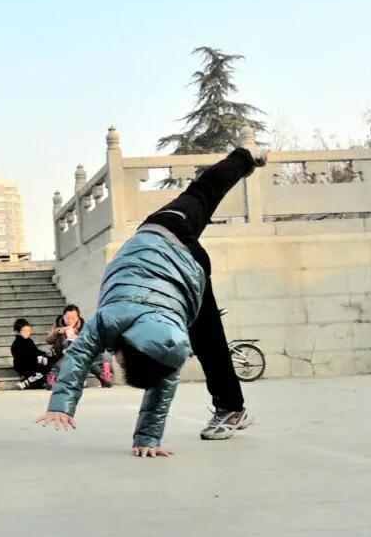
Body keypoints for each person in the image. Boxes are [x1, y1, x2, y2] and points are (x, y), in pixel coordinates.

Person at [36, 146, 266, 455]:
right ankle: (230, 406)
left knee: (204, 191)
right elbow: (80, 357)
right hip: (171, 244)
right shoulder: (117, 322)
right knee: (208, 340)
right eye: (121, 362)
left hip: (171, 239)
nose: (115, 360)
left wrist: (145, 439)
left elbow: (87, 359)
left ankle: (245, 158)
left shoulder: (141, 334)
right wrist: (63, 406)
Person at [46, 305, 112, 389]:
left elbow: (91, 342)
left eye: (73, 318)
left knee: (89, 359)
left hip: (80, 354)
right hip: (62, 353)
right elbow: (48, 340)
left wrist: (77, 338)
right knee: (63, 359)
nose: (70, 321)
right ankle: (52, 378)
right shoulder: (58, 325)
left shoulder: (84, 326)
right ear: (63, 316)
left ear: (78, 317)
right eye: (67, 318)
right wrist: (57, 332)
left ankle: (103, 376)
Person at [10, 318, 51, 390]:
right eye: (24, 331)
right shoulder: (17, 344)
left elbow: (35, 351)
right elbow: (24, 357)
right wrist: (38, 358)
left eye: (28, 331)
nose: (27, 333)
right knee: (42, 374)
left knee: (45, 369)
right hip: (25, 367)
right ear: (17, 332)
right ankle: (25, 383)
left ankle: (37, 382)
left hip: (33, 367)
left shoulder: (28, 340)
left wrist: (44, 354)